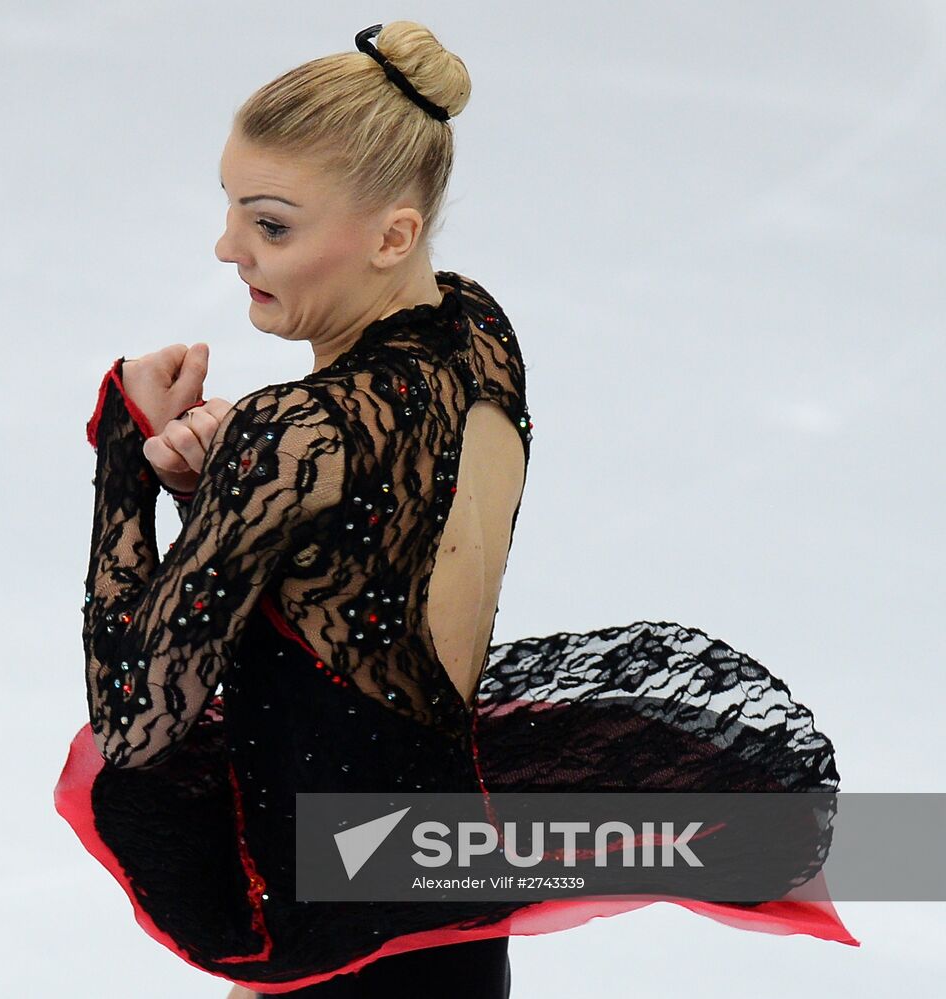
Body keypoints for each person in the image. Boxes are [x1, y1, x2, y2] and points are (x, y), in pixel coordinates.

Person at [55, 21, 856, 997]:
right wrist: (227, 502)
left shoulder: (291, 435)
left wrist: (124, 462)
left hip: (335, 917)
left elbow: (137, 724)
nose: (227, 248)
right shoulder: (478, 333)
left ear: (391, 234)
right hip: (437, 897)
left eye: (269, 224)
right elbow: (368, 562)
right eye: (229, 208)